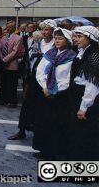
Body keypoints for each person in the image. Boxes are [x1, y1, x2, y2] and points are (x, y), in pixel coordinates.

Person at [8, 19, 56, 139]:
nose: (44, 32)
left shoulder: (56, 43)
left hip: (49, 79)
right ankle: (22, 131)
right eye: (42, 29)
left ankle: (40, 135)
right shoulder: (39, 42)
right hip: (34, 75)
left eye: (47, 29)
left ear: (53, 31)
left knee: (42, 108)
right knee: (27, 104)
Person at [32, 28, 76, 159]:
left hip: (60, 96)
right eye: (56, 38)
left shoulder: (71, 57)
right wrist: (45, 87)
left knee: (57, 125)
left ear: (67, 41)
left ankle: (55, 151)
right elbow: (40, 71)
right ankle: (44, 149)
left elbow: (68, 78)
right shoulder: (50, 54)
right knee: (43, 122)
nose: (57, 41)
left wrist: (55, 90)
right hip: (45, 93)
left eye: (60, 39)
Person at [66, 26, 99, 160]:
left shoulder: (94, 55)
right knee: (77, 132)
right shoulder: (82, 52)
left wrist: (83, 107)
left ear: (90, 38)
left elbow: (93, 85)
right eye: (75, 36)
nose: (75, 39)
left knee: (86, 133)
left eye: (79, 37)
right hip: (77, 94)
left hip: (87, 98)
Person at [0, 20, 22, 108]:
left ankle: (12, 101)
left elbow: (15, 52)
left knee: (12, 84)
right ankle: (4, 99)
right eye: (7, 27)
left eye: (10, 27)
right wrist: (2, 59)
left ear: (14, 28)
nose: (8, 29)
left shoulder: (18, 38)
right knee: (3, 83)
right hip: (3, 64)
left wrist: (6, 59)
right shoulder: (3, 38)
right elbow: (0, 49)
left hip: (12, 64)